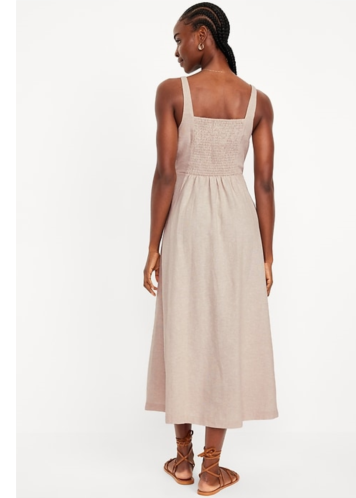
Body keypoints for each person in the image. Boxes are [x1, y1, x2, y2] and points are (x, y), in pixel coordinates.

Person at [143, 2, 279, 495]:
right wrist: (267, 253)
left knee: (181, 325)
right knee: (225, 332)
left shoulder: (171, 92)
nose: (176, 51)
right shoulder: (257, 101)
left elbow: (166, 174)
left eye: (179, 39)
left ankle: (183, 461)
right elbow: (264, 183)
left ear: (203, 36)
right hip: (239, 226)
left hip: (186, 222)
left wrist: (153, 246)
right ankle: (211, 470)